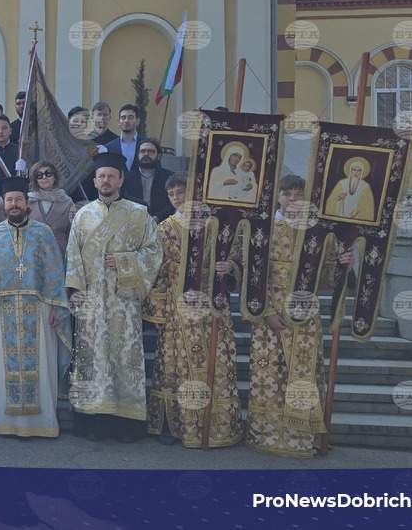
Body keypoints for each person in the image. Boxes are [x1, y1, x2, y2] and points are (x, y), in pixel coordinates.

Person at [247, 175, 351, 458]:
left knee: (303, 374)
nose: (292, 199)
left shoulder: (318, 232)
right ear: (278, 197)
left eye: (298, 194)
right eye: (287, 194)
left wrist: (344, 264)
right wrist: (268, 312)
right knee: (270, 374)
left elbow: (328, 276)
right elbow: (253, 274)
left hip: (306, 315)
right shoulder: (263, 228)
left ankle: (303, 437)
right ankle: (267, 434)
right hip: (268, 315)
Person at [64, 152, 162, 443]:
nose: (106, 181)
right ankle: (93, 423)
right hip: (92, 301)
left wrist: (123, 261)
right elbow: (72, 254)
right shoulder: (82, 215)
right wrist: (74, 289)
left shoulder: (139, 213)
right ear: (95, 181)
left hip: (123, 301)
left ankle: (126, 425)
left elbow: (154, 251)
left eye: (111, 176)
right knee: (92, 358)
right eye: (101, 176)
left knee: (124, 359)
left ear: (120, 180)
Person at [143, 173, 244, 448]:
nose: (176, 198)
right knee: (175, 366)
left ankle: (217, 425)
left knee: (215, 364)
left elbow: (235, 257)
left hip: (212, 306)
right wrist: (158, 311)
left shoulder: (217, 225)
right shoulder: (164, 228)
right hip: (176, 309)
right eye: (171, 194)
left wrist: (230, 267)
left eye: (181, 192)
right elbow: (157, 271)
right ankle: (174, 423)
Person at [0, 176, 72, 438]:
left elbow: (55, 271)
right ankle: (2, 421)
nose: (14, 204)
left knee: (41, 364)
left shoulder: (43, 233)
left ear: (27, 203)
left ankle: (41, 423)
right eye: (9, 200)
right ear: (4, 204)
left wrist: (57, 306)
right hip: (2, 309)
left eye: (18, 199)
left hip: (39, 308)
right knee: (3, 365)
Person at [26, 161, 76, 259]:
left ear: (55, 177)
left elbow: (73, 232)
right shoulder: (28, 202)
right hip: (33, 253)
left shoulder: (67, 202)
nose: (44, 177)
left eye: (48, 174)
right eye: (39, 175)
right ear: (35, 180)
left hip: (60, 252)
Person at [122, 137, 174, 221]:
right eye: (142, 151)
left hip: (163, 222)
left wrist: (157, 217)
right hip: (133, 222)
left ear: (159, 156)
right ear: (138, 155)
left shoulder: (169, 177)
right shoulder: (126, 178)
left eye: (151, 151)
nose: (146, 154)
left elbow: (173, 202)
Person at [324, 157, 376, 222]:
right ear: (350, 170)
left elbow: (367, 205)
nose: (356, 172)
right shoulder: (342, 183)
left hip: (356, 217)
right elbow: (331, 201)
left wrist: (357, 211)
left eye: (359, 170)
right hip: (340, 215)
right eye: (354, 169)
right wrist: (339, 198)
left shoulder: (365, 186)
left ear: (362, 172)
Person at [103, 104, 142, 172]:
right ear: (118, 121)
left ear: (137, 121)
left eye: (130, 117)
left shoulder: (146, 144)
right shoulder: (109, 148)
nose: (126, 121)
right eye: (123, 117)